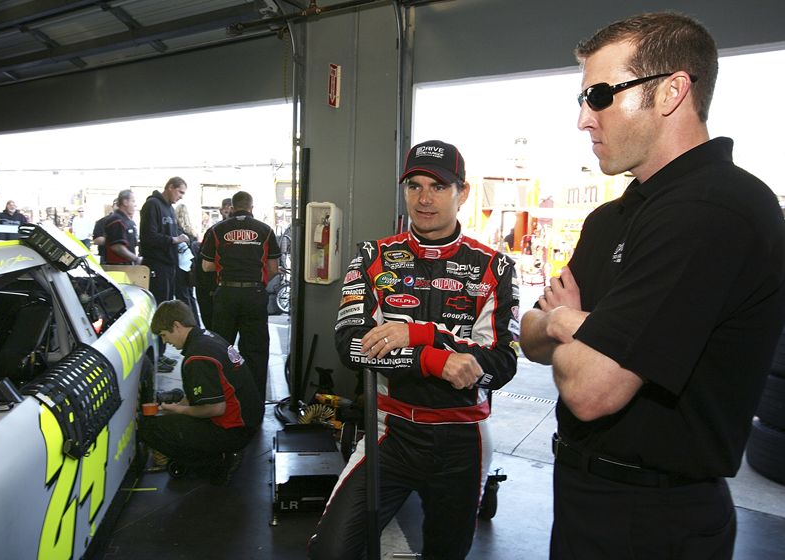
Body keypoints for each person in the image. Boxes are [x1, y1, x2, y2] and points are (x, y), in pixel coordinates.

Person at [519, 12, 785, 560]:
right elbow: (528, 337)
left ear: (671, 91)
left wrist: (566, 320)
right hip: (579, 499)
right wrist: (564, 328)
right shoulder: (611, 220)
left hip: (656, 520)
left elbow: (592, 391)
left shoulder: (714, 209)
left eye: (598, 95)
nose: (584, 120)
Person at [307, 140, 520, 560]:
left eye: (438, 187)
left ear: (463, 192)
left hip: (464, 440)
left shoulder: (495, 268)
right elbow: (351, 345)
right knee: (330, 552)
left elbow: (501, 364)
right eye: (415, 185)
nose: (424, 199)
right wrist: (435, 358)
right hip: (392, 432)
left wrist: (418, 334)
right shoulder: (372, 257)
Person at [139, 301, 264, 486]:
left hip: (234, 431)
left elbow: (215, 408)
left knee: (149, 428)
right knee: (178, 405)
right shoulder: (209, 337)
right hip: (249, 421)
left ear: (177, 326)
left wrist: (178, 411)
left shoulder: (197, 358)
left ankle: (215, 462)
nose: (165, 341)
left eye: (164, 335)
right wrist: (179, 405)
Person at [201, 191, 280, 402]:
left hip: (226, 293)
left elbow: (207, 265)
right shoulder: (265, 230)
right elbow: (273, 268)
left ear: (233, 207)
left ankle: (221, 399)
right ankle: (253, 403)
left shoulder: (217, 229)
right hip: (254, 294)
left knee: (221, 348)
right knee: (255, 351)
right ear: (251, 207)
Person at [140, 176, 190, 372]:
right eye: (180, 192)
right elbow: (148, 237)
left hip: (169, 266)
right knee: (157, 312)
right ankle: (154, 356)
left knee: (166, 312)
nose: (180, 197)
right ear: (170, 187)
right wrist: (175, 240)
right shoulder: (152, 205)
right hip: (156, 266)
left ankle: (160, 353)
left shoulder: (169, 208)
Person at [103, 190, 141, 265]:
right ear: (125, 202)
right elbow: (117, 246)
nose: (135, 205)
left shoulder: (129, 221)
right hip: (118, 267)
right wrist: (136, 259)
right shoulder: (116, 220)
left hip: (128, 265)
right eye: (133, 201)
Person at [92, 199, 117, 263]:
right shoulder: (102, 222)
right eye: (117, 205)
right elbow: (96, 240)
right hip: (107, 259)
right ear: (113, 207)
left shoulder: (130, 223)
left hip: (127, 262)